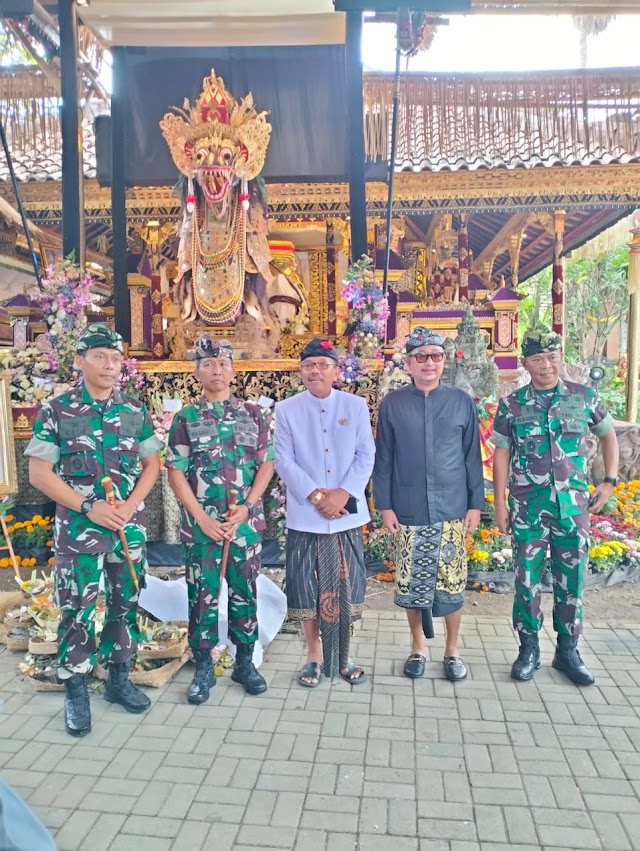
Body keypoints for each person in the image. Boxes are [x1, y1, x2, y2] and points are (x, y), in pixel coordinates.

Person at [26, 324, 162, 737]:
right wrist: (89, 506)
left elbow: (152, 464)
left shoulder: (134, 411)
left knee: (125, 603)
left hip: (126, 529)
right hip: (79, 531)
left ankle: (119, 677)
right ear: (80, 361)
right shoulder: (57, 409)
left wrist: (132, 504)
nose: (109, 364)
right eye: (100, 356)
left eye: (116, 358)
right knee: (76, 610)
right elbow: (38, 472)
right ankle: (76, 689)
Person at [491, 330, 619, 686]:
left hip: (573, 506)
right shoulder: (512, 404)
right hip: (527, 506)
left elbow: (608, 436)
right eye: (537, 359)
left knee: (572, 580)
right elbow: (501, 454)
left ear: (560, 357)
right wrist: (499, 503)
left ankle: (567, 650)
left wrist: (609, 481)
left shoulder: (583, 396)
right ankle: (528, 648)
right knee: (527, 579)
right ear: (525, 364)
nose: (546, 365)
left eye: (552, 357)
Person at [166, 336, 274, 703]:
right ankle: (203, 667)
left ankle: (245, 662)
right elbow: (176, 471)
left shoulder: (254, 414)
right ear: (197, 371)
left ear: (233, 369)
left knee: (245, 593)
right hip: (202, 528)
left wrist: (247, 506)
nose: (216, 370)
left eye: (223, 363)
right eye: (209, 364)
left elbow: (267, 463)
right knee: (202, 597)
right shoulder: (186, 418)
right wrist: (199, 517)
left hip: (242, 525)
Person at [373, 327, 484, 681]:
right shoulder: (393, 404)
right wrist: (385, 505)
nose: (429, 363)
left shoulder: (461, 402)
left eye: (435, 356)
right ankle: (418, 647)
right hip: (409, 508)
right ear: (409, 363)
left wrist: (474, 505)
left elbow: (472, 457)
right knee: (411, 583)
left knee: (452, 584)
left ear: (444, 360)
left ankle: (452, 650)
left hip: (452, 506)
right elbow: (384, 459)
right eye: (421, 357)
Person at [274, 338, 375, 687]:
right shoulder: (286, 410)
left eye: (322, 364)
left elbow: (366, 454)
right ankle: (314, 657)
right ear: (301, 371)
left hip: (346, 514)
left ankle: (344, 654)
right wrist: (318, 496)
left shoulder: (355, 405)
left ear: (336, 370)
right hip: (306, 514)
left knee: (348, 585)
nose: (314, 370)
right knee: (306, 587)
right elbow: (283, 461)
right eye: (308, 365)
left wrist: (343, 493)